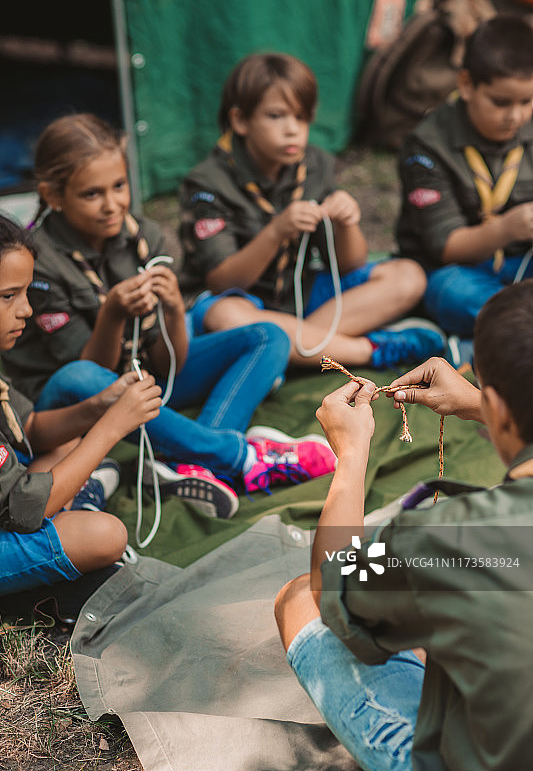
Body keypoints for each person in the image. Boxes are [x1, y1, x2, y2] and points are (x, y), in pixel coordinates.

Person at [1, 114, 336, 518]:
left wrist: (175, 309)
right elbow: (86, 377)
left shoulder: (144, 237)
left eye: (119, 186)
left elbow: (168, 364)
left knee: (268, 336)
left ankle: (189, 462)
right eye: (92, 194)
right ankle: (237, 456)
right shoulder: (37, 261)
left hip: (146, 382)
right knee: (79, 377)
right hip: (71, 404)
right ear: (53, 195)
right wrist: (112, 315)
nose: (112, 204)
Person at [275, 279, 533, 770]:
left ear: (498, 410)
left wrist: (350, 458)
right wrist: (483, 402)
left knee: (300, 599)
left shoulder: (450, 539)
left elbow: (334, 579)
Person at [179, 52, 446, 369]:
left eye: (302, 117)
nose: (293, 130)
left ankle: (284, 352)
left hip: (299, 298)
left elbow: (350, 265)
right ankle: (366, 350)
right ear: (239, 120)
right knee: (228, 317)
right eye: (276, 116)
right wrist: (276, 232)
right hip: (238, 304)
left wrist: (347, 224)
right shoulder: (208, 184)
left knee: (408, 276)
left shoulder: (314, 164)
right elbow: (222, 281)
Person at [0, 215, 163, 595]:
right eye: (9, 296)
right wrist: (112, 427)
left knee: (63, 448)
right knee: (104, 536)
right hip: (19, 511)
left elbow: (33, 429)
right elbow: (27, 511)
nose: (26, 310)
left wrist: (102, 406)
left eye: (26, 294)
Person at [396, 14, 533, 344]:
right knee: (452, 294)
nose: (515, 115)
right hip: (458, 269)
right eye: (500, 102)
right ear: (467, 84)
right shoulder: (426, 145)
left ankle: (507, 330)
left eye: (526, 101)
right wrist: (505, 228)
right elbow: (446, 246)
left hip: (521, 263)